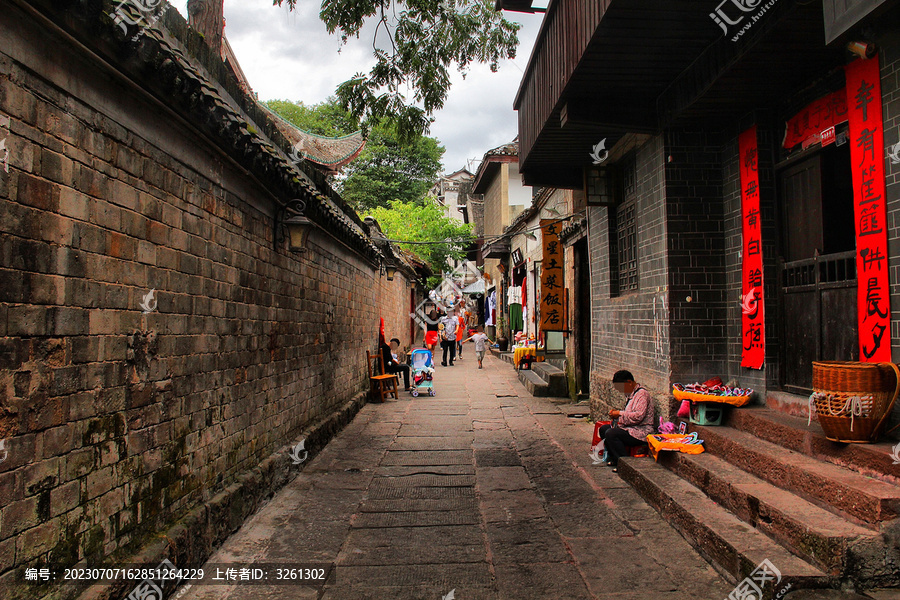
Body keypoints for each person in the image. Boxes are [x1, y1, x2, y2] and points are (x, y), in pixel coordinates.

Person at [599, 370, 655, 472]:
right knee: (604, 429)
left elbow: (638, 416)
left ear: (629, 382)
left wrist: (619, 414)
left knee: (611, 433)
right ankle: (615, 458)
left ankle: (625, 464)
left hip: (641, 431)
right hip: (630, 428)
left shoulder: (642, 394)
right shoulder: (630, 394)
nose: (621, 391)